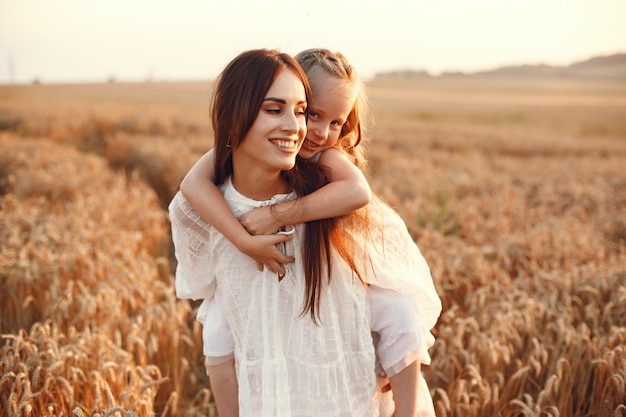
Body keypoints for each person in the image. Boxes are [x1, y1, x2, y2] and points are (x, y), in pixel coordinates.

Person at [180, 48, 441, 416]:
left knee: (398, 313)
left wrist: (277, 214)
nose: (319, 132)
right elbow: (193, 183)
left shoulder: (325, 156)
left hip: (349, 267)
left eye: (336, 122)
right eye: (313, 114)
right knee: (218, 329)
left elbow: (358, 192)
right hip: (279, 269)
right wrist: (243, 241)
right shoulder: (249, 144)